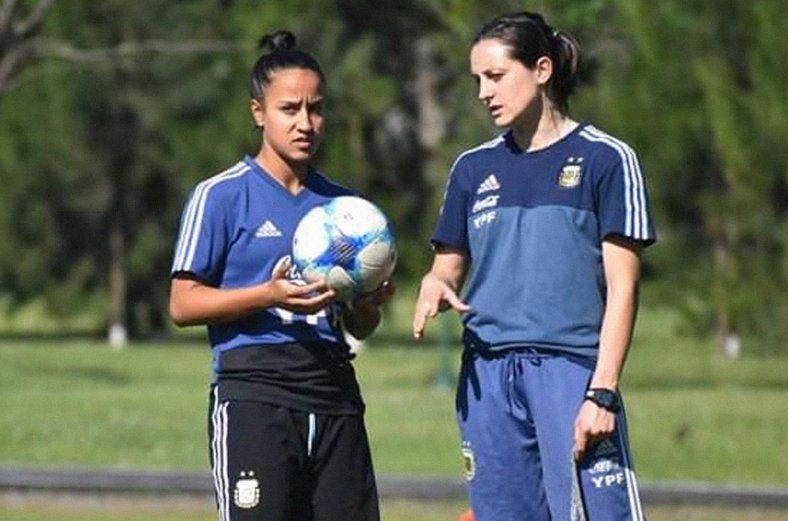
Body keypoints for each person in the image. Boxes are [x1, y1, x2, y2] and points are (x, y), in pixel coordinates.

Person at [412, 12, 655, 521]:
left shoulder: (606, 160)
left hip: (570, 371)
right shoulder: (472, 169)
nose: (484, 92)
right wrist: (435, 284)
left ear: (542, 69)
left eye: (496, 76)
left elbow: (623, 289)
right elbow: (447, 267)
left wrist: (603, 393)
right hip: (487, 376)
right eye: (478, 80)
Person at [169, 30, 391, 521]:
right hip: (255, 395)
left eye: (316, 109)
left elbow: (359, 327)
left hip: (335, 396)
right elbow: (182, 304)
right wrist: (268, 295)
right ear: (259, 112)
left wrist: (363, 306)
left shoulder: (345, 209)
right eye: (289, 109)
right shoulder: (221, 196)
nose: (305, 123)